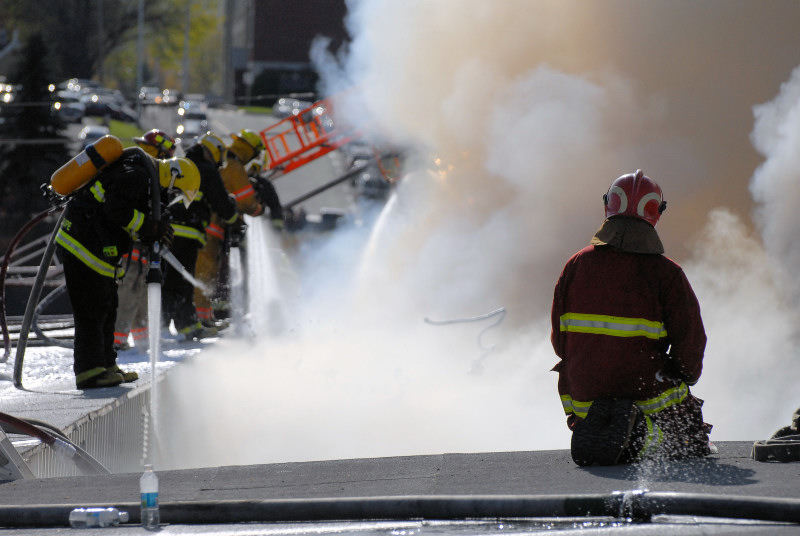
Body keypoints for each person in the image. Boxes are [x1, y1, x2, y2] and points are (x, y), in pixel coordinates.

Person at [550, 169, 712, 466]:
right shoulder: (668, 274)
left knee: (583, 390)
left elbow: (560, 343)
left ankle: (596, 427)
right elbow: (691, 347)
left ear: (607, 205)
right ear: (657, 213)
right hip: (645, 394)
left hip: (585, 398)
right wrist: (682, 376)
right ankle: (640, 434)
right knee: (691, 436)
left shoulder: (574, 265)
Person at [55, 149, 200, 389]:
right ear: (173, 176)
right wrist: (149, 226)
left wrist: (152, 228)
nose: (170, 196)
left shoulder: (142, 179)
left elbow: (124, 218)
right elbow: (117, 210)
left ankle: (107, 365)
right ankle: (89, 372)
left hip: (97, 249)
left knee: (108, 307)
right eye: (175, 191)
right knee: (91, 312)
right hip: (82, 246)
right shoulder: (136, 175)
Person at [162, 132, 238, 341]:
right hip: (187, 233)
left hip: (166, 232)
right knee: (184, 282)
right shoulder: (207, 171)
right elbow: (223, 206)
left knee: (169, 280)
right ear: (213, 151)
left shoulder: (182, 165)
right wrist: (232, 208)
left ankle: (164, 324)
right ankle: (187, 326)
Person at [194, 129, 266, 328]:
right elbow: (247, 202)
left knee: (201, 273)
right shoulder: (234, 166)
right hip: (211, 230)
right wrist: (258, 208)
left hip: (200, 227)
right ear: (249, 150)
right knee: (205, 274)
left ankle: (202, 317)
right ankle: (202, 320)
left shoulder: (220, 160)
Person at [114, 129, 177, 352]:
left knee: (140, 292)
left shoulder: (149, 171)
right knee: (129, 292)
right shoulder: (143, 172)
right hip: (132, 245)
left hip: (142, 245)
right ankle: (117, 340)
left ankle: (141, 339)